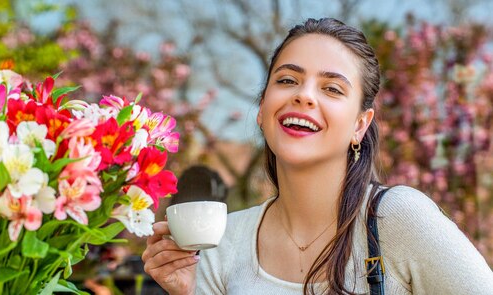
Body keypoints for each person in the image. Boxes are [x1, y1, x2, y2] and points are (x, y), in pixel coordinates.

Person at [141, 17, 493, 294]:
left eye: (332, 88)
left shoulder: (397, 219)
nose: (304, 96)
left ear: (360, 124)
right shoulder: (223, 242)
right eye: (287, 80)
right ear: (263, 109)